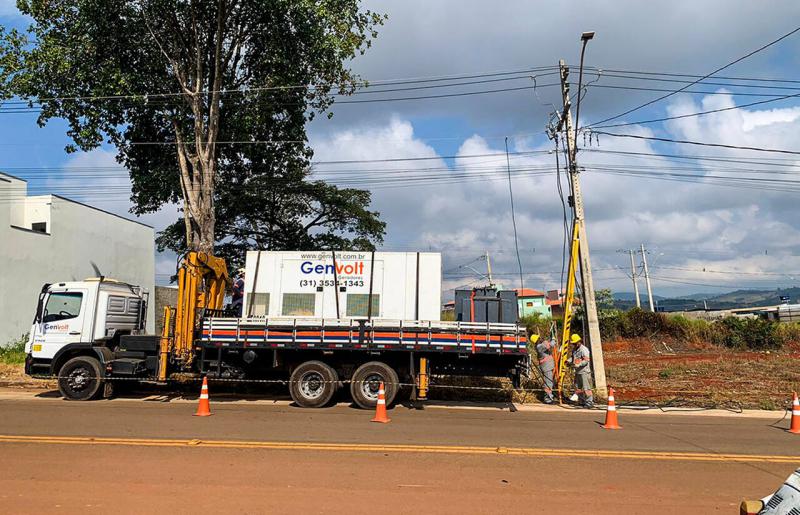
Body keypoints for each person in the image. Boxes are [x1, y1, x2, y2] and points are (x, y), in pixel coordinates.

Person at [570, 333, 594, 408]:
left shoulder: (584, 349)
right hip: (577, 371)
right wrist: (568, 361)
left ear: (579, 342)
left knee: (586, 388)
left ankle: (589, 402)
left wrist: (579, 364)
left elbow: (586, 360)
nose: (574, 344)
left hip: (584, 371)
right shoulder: (574, 349)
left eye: (575, 343)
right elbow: (573, 358)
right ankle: (581, 401)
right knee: (578, 387)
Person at [531, 333, 556, 404]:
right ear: (536, 340)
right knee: (548, 383)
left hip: (547, 366)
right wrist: (553, 339)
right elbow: (551, 345)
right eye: (538, 338)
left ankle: (549, 397)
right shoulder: (540, 346)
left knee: (549, 382)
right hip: (546, 367)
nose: (540, 338)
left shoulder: (540, 346)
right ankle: (548, 399)